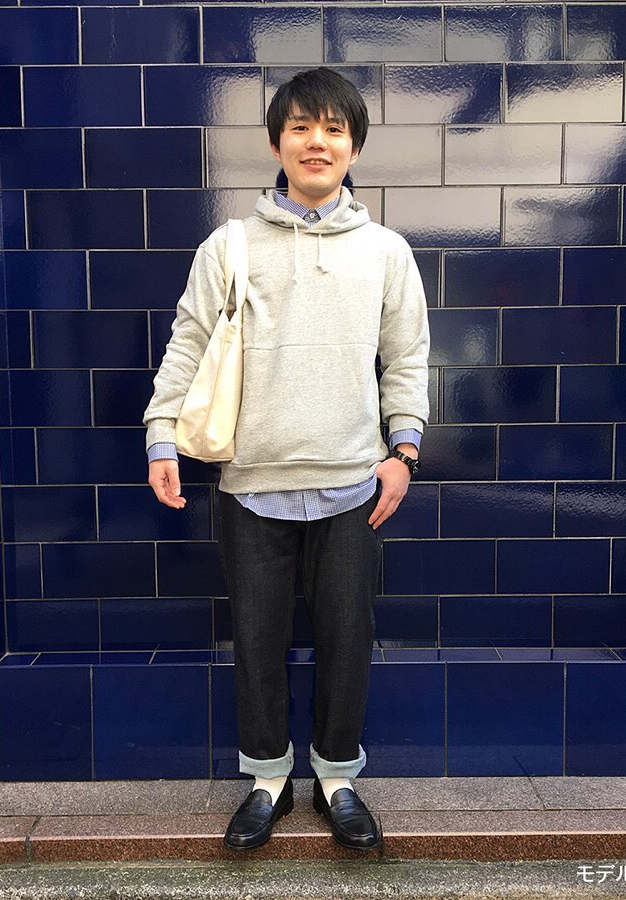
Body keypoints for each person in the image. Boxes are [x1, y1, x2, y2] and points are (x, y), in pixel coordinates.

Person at [143, 67, 430, 853]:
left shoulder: (385, 252)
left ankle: (337, 779)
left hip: (352, 486)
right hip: (251, 486)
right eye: (301, 126)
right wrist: (161, 434)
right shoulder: (229, 245)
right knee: (257, 642)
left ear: (354, 148)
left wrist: (404, 451)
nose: (317, 141)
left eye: (334, 129)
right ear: (276, 143)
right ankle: (267, 780)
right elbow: (188, 343)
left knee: (347, 641)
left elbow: (408, 359)